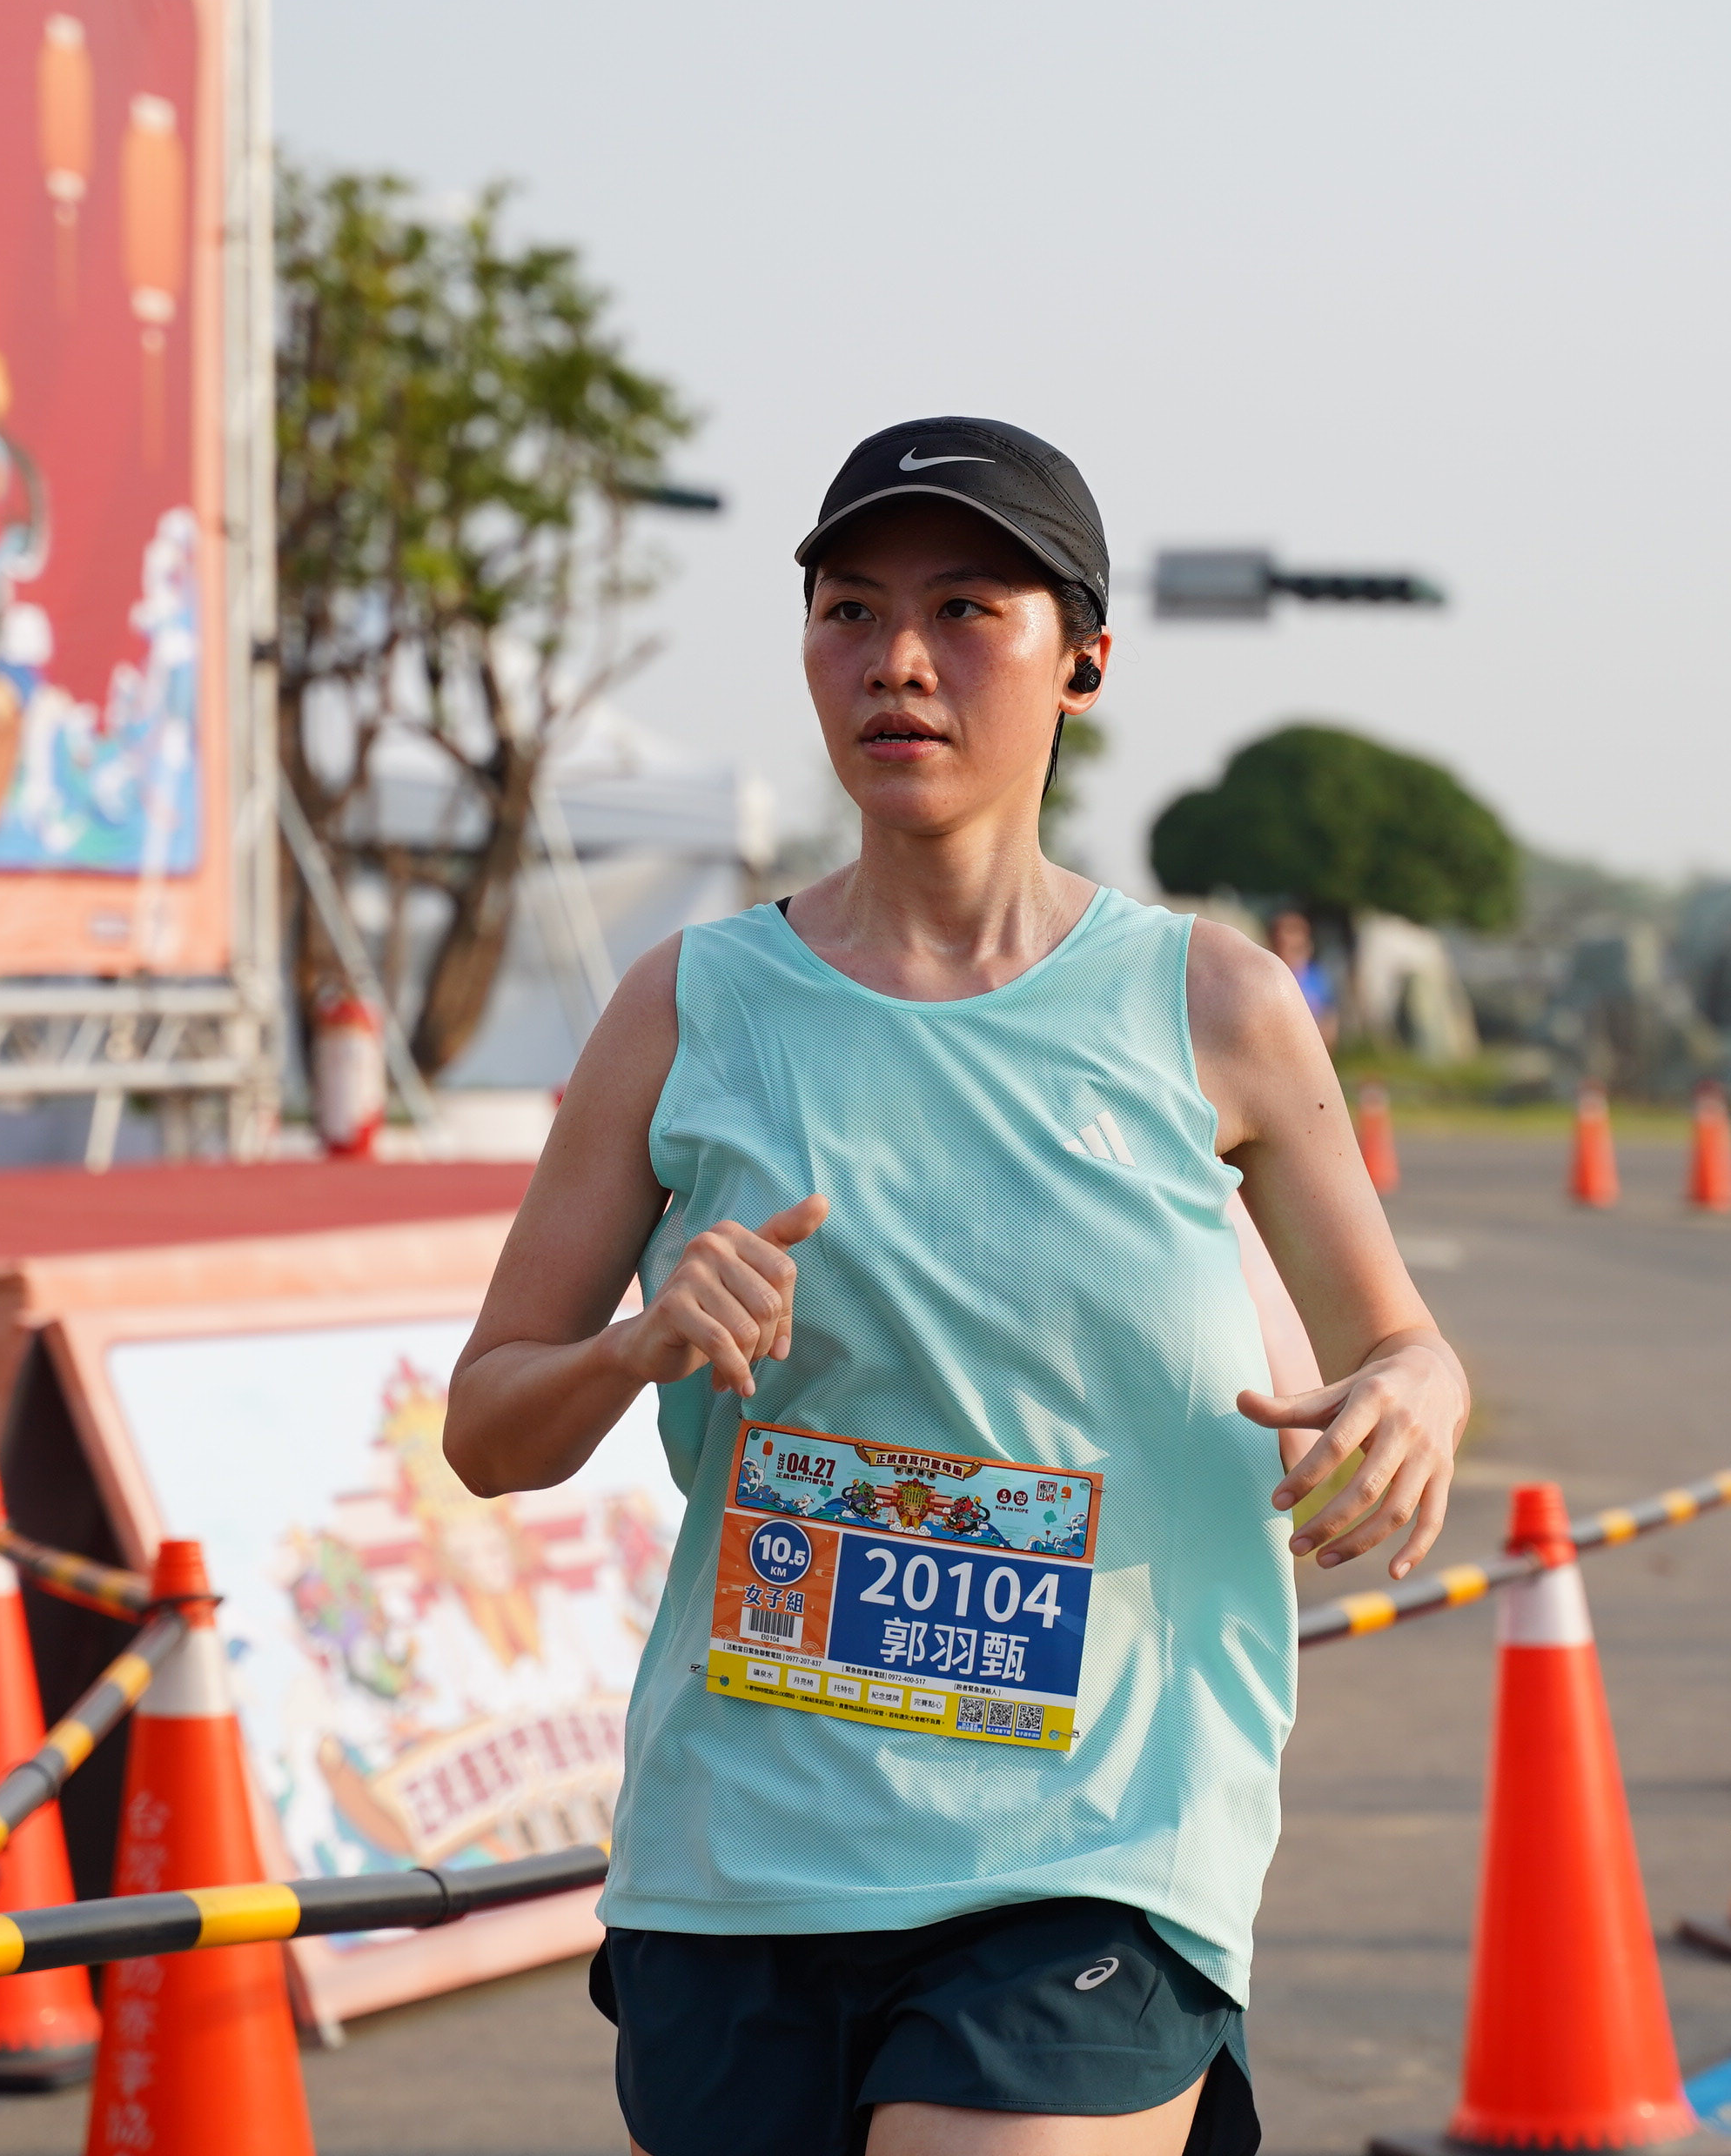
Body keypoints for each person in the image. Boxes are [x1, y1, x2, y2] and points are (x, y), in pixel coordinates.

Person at [445, 416, 1467, 2156]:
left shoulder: (1212, 1006)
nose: (896, 659)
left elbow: (1402, 1340)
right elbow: (487, 1426)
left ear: (1083, 660)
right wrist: (636, 1345)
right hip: (739, 1860)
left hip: (1098, 1847)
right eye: (849, 608)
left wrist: (1411, 1397)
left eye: (965, 609)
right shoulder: (686, 1004)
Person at [1266, 908, 1339, 1046]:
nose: (1285, 938)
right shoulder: (1264, 978)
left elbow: (1329, 1021)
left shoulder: (1317, 977)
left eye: (1293, 931)